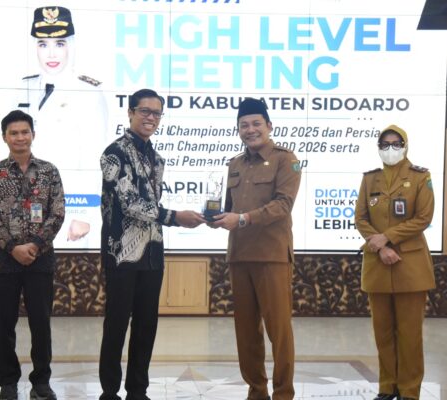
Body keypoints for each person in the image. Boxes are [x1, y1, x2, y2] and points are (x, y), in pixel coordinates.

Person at [98, 89, 206, 400]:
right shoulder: (114, 153)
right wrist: (174, 217)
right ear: (130, 113)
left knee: (147, 324)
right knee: (117, 323)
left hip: (153, 251)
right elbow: (130, 203)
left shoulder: (156, 158)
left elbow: (149, 205)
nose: (151, 117)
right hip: (121, 253)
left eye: (156, 113)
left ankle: (138, 390)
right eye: (144, 111)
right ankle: (109, 391)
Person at [210, 97, 302, 400]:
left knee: (279, 331)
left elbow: (283, 205)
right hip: (239, 256)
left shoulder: (285, 160)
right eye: (244, 125)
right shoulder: (234, 164)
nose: (250, 130)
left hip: (271, 256)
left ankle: (283, 393)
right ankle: (257, 391)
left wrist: (243, 219)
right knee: (246, 332)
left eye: (256, 124)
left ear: (269, 126)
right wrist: (212, 217)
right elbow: (228, 208)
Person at [0, 110, 65, 400]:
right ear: (4, 137)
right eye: (13, 133)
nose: (20, 137)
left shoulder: (49, 172)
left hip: (40, 260)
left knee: (41, 324)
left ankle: (41, 382)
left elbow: (57, 213)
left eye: (24, 132)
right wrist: (13, 248)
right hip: (2, 261)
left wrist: (35, 245)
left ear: (33, 135)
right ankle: (8, 383)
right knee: (4, 326)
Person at [354, 125, 435, 400]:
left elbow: (423, 218)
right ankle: (387, 387)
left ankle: (410, 390)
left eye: (396, 144)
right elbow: (361, 218)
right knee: (383, 333)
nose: (390, 149)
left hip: (409, 264)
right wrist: (380, 246)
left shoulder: (421, 177)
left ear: (405, 145)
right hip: (378, 264)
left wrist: (386, 238)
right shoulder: (370, 179)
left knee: (410, 335)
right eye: (385, 144)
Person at [18, 5, 109, 248]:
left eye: (59, 44)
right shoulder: (22, 88)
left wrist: (85, 214)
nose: (51, 54)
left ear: (71, 45)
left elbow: (94, 156)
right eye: (43, 44)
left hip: (69, 209)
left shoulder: (88, 92)